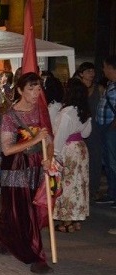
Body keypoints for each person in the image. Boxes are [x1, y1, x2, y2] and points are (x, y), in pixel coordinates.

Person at [0, 72, 54, 274]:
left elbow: (50, 140)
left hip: (37, 166)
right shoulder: (10, 116)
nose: (36, 93)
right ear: (19, 90)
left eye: (38, 88)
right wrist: (35, 141)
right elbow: (7, 149)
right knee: (20, 210)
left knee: (28, 210)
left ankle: (3, 237)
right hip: (16, 168)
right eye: (31, 88)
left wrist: (49, 158)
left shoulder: (41, 111)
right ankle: (36, 255)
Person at [52, 78, 91, 232]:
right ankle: (76, 219)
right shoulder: (85, 111)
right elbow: (87, 132)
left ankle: (66, 221)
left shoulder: (66, 112)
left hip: (68, 148)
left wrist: (54, 155)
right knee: (79, 184)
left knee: (66, 183)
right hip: (81, 148)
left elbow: (61, 135)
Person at [74, 62, 104, 202]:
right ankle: (82, 188)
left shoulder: (99, 88)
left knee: (95, 158)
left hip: (95, 127)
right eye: (88, 71)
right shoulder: (77, 88)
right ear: (81, 73)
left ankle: (93, 189)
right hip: (78, 127)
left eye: (93, 70)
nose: (91, 73)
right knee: (80, 159)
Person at [94, 55, 116, 207]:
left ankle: (113, 194)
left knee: (112, 163)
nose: (103, 70)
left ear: (111, 68)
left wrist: (111, 128)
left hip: (111, 130)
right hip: (106, 129)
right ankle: (111, 193)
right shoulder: (110, 85)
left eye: (105, 66)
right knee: (108, 163)